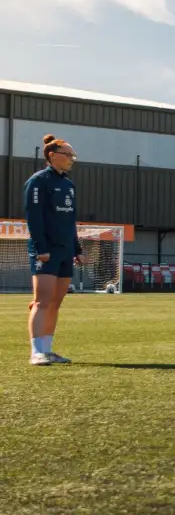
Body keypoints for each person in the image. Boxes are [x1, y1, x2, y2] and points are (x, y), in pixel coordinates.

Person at [24, 134, 82, 366]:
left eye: (72, 155)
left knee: (56, 302)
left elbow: (71, 220)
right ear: (52, 155)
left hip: (65, 249)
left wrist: (77, 249)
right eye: (67, 154)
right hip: (46, 250)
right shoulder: (38, 181)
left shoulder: (68, 184)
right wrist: (40, 247)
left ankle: (48, 349)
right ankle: (36, 351)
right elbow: (33, 217)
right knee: (42, 301)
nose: (71, 159)